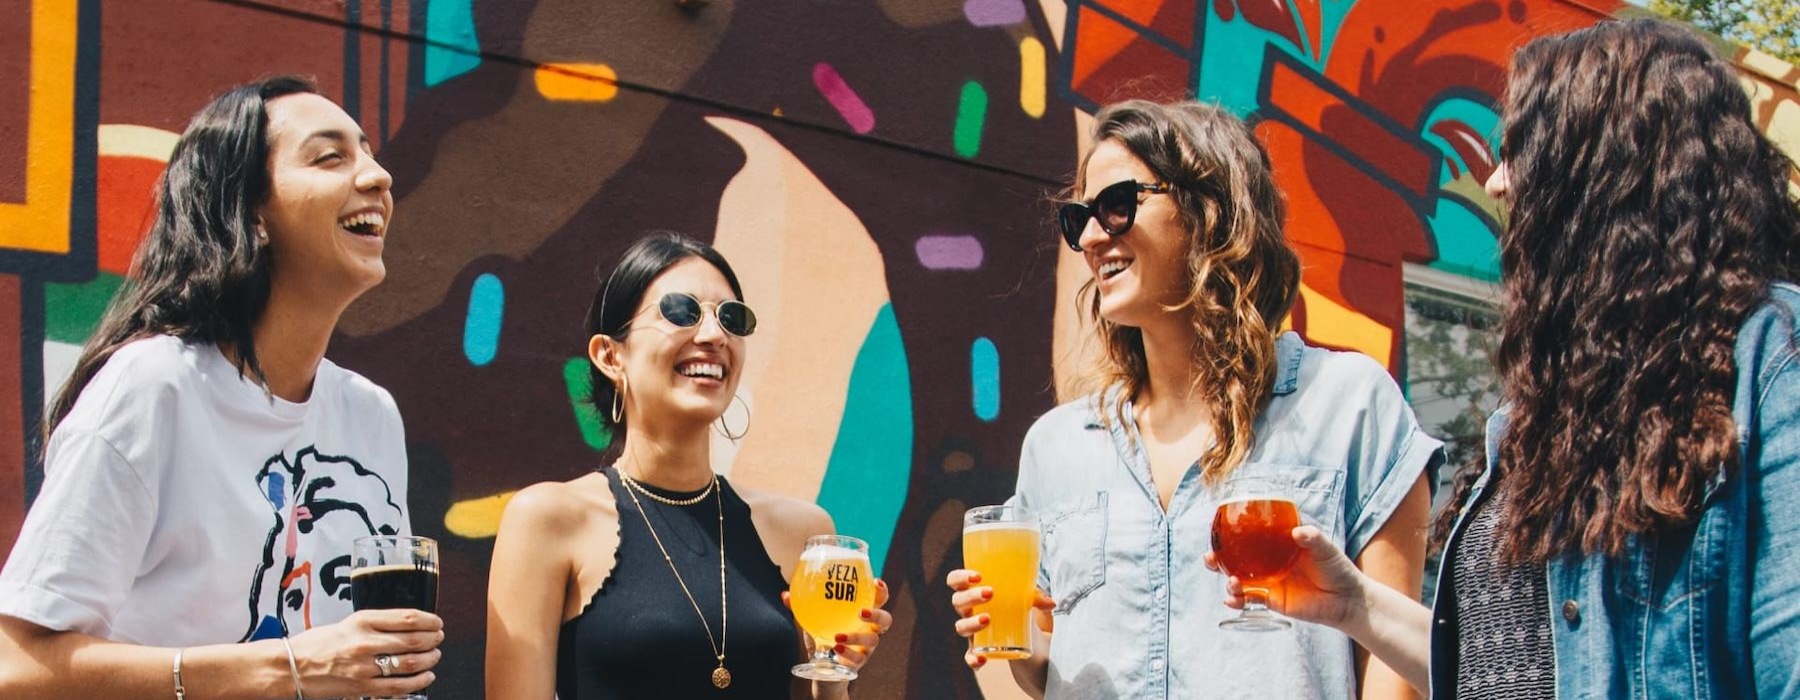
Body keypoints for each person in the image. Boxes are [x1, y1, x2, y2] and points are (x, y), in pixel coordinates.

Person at [1209, 18, 1800, 698]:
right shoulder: (1541, 414)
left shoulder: (1768, 361)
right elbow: (1507, 670)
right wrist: (1350, 605)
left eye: (1521, 151)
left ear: (1608, 172)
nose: (1494, 182)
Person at [947, 99, 1443, 699]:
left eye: (1118, 205)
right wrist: (1021, 639)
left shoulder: (1349, 406)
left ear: (1210, 211)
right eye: (1081, 218)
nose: (1093, 238)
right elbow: (1051, 672)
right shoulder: (1055, 447)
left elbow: (1397, 678)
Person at [0, 76, 441, 698]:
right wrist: (288, 669)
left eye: (369, 153)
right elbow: (17, 664)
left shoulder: (369, 413)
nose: (377, 176)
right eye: (329, 156)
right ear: (251, 212)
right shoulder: (155, 388)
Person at [485, 233, 892, 699]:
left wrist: (835, 666)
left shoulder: (804, 533)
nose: (714, 335)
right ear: (610, 355)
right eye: (682, 311)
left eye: (731, 318)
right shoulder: (548, 518)